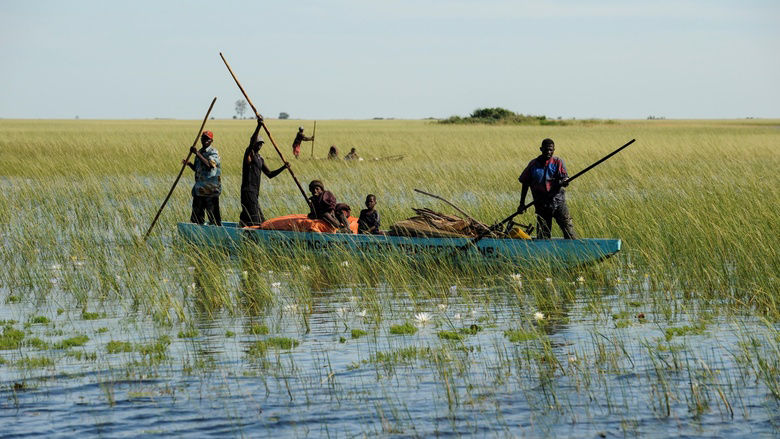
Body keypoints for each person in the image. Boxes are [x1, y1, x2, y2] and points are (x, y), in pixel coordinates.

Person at [517, 138, 577, 239]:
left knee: (569, 232)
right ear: (541, 149)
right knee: (543, 236)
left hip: (558, 203)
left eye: (551, 150)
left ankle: (573, 249)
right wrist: (522, 204)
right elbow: (525, 183)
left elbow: (565, 177)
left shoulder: (558, 162)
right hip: (541, 205)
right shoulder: (533, 165)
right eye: (546, 150)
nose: (548, 152)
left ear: (554, 150)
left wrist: (565, 181)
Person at [239, 117, 290, 227]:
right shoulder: (249, 154)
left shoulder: (260, 158)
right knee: (256, 220)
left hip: (254, 193)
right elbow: (252, 141)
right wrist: (259, 126)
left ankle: (241, 228)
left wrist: (283, 167)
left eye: (261, 143)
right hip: (248, 191)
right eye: (258, 143)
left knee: (254, 217)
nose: (260, 145)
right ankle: (251, 236)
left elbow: (270, 174)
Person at [183, 130, 222, 226]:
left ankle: (217, 233)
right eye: (203, 138)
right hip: (199, 190)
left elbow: (209, 165)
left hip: (211, 190)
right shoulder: (199, 152)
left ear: (211, 141)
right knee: (197, 218)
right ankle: (197, 233)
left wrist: (196, 153)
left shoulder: (213, 152)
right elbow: (198, 169)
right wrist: (189, 164)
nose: (205, 140)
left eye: (207, 139)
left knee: (214, 218)